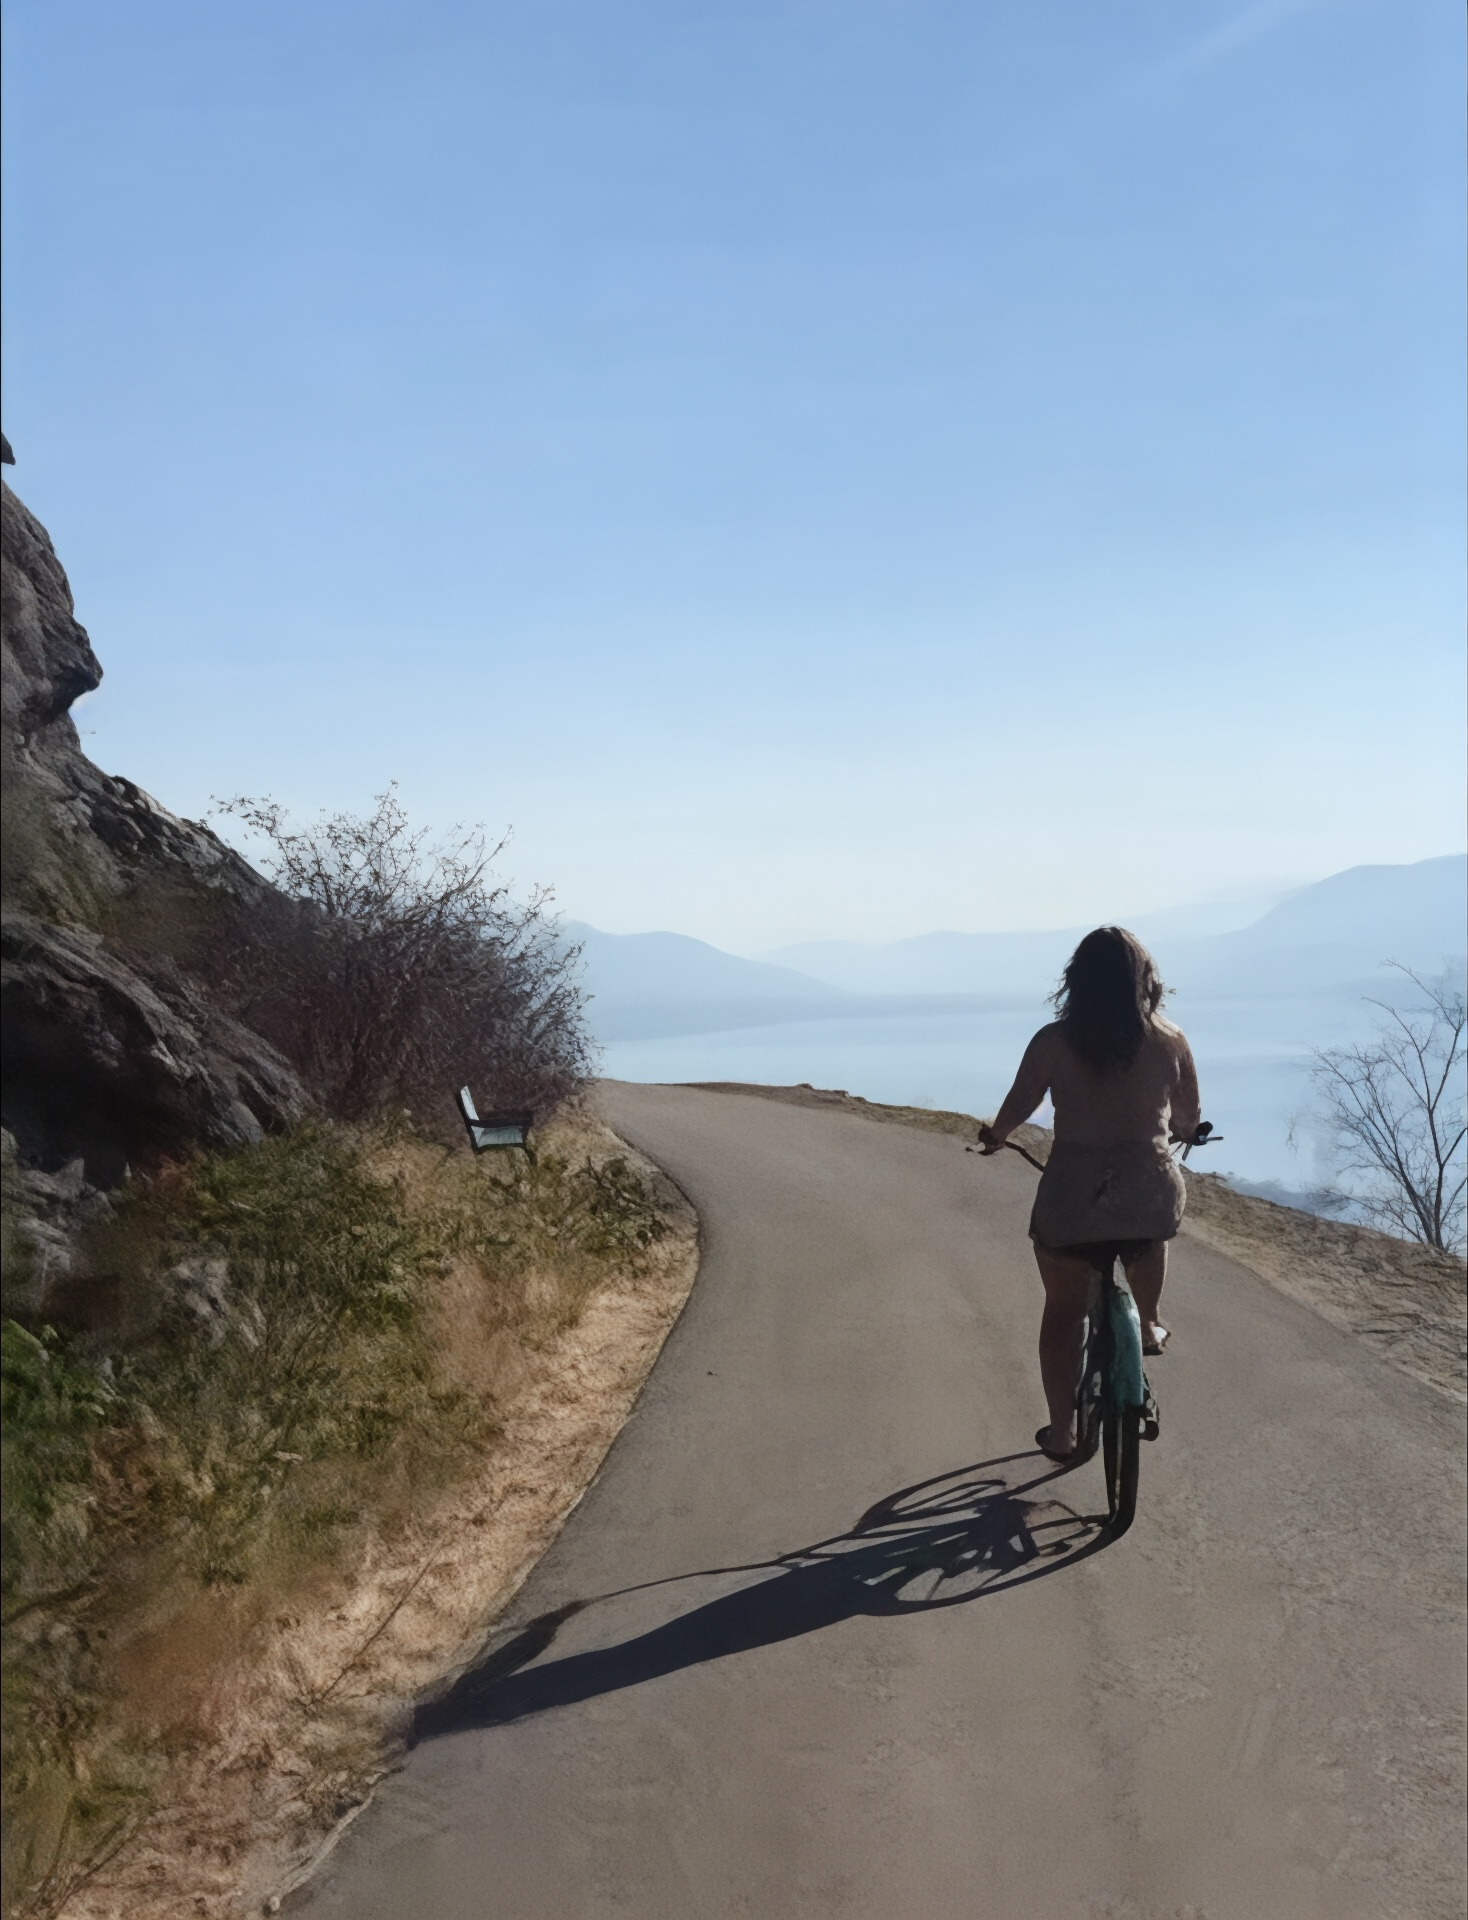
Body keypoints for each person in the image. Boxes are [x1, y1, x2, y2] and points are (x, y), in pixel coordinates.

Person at [978, 926, 1200, 1464]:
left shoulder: (1053, 1043)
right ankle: (1148, 1320)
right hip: (1148, 1193)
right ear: (1145, 983)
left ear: (1075, 983)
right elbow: (1189, 1121)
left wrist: (996, 1137)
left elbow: (1018, 1106)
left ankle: (1062, 1433)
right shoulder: (1171, 1040)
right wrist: (1181, 1133)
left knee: (1062, 1313)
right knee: (1149, 1237)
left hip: (1073, 1201)